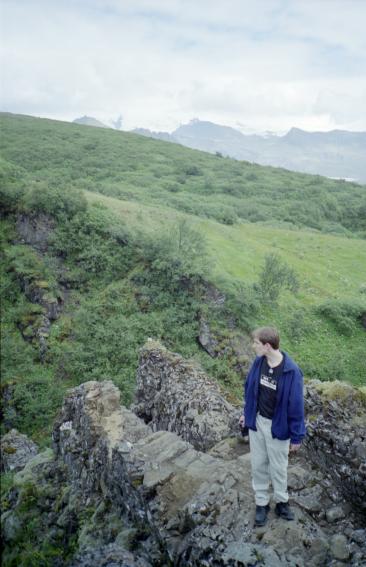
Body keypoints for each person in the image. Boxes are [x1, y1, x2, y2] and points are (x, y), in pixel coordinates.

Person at [239, 326, 306, 527]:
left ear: (267, 346)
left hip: (278, 427)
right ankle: (262, 503)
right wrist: (246, 414)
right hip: (258, 423)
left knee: (278, 467)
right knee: (258, 464)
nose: (253, 346)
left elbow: (296, 406)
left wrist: (296, 436)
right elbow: (249, 390)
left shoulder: (291, 371)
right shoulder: (258, 363)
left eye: (256, 343)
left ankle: (281, 502)